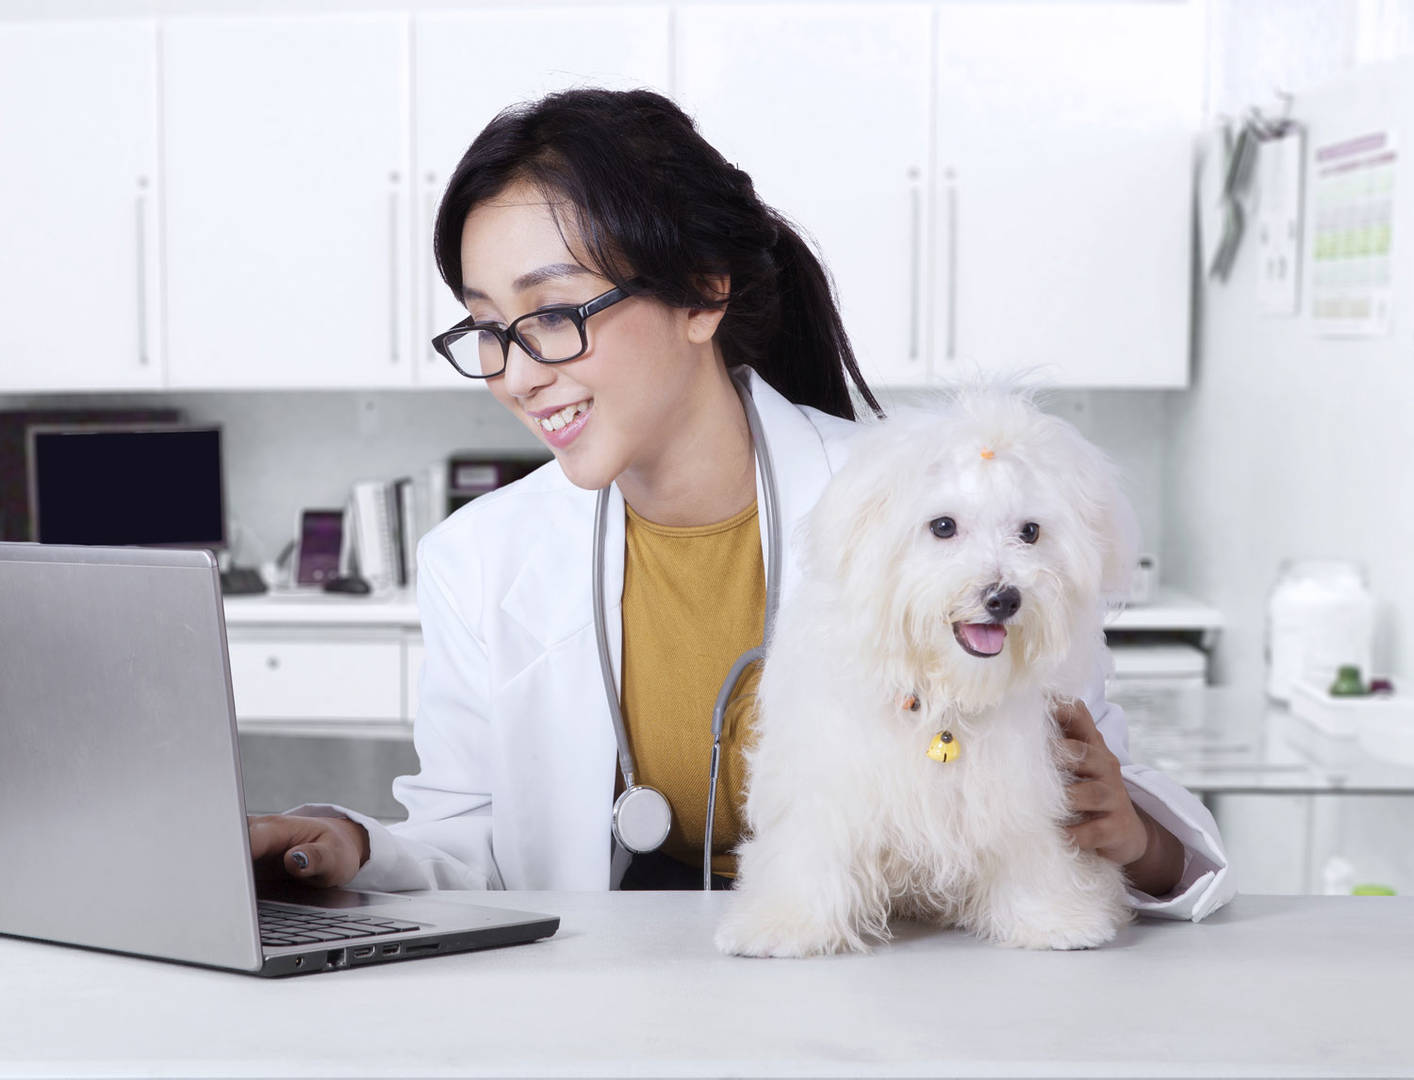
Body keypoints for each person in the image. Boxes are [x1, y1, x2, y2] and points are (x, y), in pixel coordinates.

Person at [248, 87, 1232, 918]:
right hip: (606, 1016)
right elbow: (468, 852)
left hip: (900, 1003)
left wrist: (1136, 837)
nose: (513, 372)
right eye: (486, 328)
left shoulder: (929, 509)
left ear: (702, 294)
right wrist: (348, 845)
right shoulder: (479, 558)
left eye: (550, 315)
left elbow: (1095, 796)